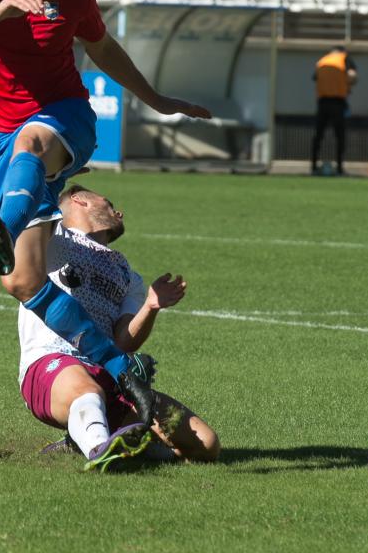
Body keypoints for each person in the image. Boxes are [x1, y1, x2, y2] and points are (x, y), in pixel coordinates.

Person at [0, 0, 211, 426]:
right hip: (6, 136)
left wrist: (155, 99)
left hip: (64, 119)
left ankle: (4, 221)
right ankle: (119, 367)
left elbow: (103, 49)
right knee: (20, 281)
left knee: (32, 143)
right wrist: (2, 8)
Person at [19, 184, 220, 471]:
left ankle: (84, 440)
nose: (120, 210)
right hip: (51, 361)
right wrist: (61, 169)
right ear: (79, 200)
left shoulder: (126, 273)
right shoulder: (53, 236)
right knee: (85, 390)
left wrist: (151, 306)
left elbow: (124, 341)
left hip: (112, 373)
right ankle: (99, 451)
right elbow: (32, 199)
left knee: (206, 445)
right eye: (109, 202)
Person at [310, 45, 357, 176]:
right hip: (337, 102)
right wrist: (347, 85)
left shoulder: (322, 61)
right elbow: (352, 75)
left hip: (322, 102)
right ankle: (340, 168)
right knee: (340, 136)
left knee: (318, 135)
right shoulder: (344, 58)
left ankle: (313, 166)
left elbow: (315, 78)